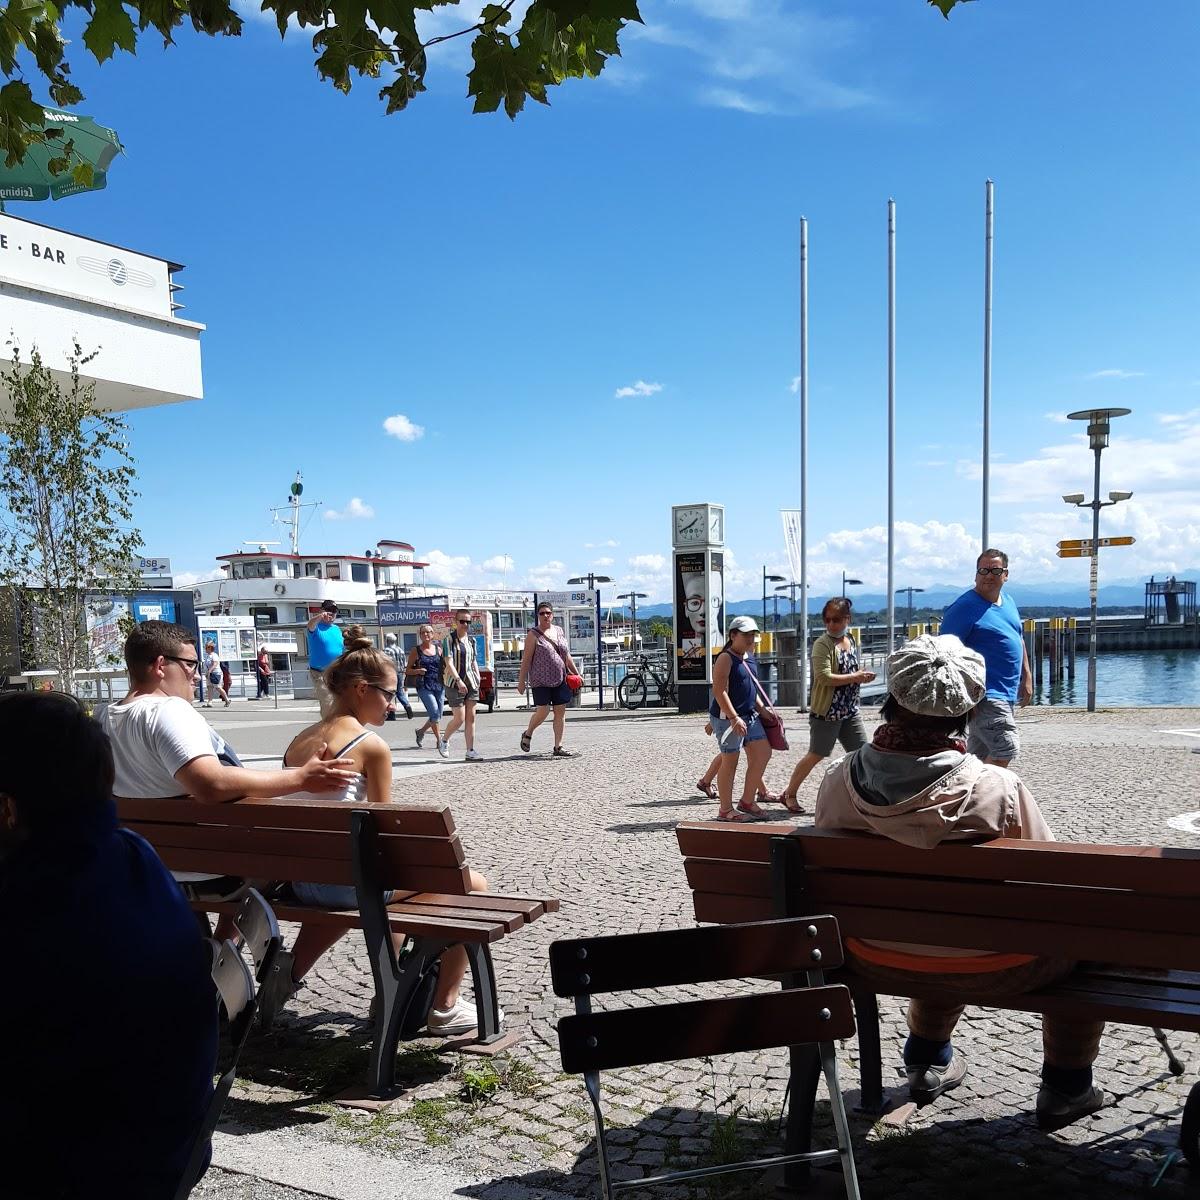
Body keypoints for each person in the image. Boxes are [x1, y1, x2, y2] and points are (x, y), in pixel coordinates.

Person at [814, 634, 1105, 1128]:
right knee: (1083, 938)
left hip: (869, 952)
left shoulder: (839, 780)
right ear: (968, 710)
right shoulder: (998, 789)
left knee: (932, 923)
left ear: (892, 700)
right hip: (998, 962)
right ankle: (1067, 1085)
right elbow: (1049, 889)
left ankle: (927, 1058)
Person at [0, 692, 218, 1197]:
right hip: (166, 1148)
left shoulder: (31, 905)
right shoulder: (131, 857)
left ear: (7, 808)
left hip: (79, 1166)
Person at [259, 634, 492, 1035]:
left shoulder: (301, 741)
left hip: (303, 882)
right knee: (472, 885)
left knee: (366, 883)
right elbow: (384, 832)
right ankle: (443, 1007)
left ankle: (286, 984)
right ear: (362, 689)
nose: (394, 701)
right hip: (344, 886)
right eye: (389, 693)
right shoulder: (372, 746)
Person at [102, 620, 358, 917]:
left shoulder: (105, 719)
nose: (196, 675)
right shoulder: (168, 711)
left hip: (155, 871)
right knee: (340, 879)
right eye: (190, 664)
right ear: (161, 665)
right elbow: (210, 784)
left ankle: (222, 956)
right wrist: (300, 778)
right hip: (220, 874)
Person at [779, 597, 875, 812]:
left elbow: (851, 672)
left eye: (837, 620)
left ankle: (863, 799)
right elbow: (824, 678)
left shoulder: (850, 639)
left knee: (862, 754)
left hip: (849, 709)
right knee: (817, 753)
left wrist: (861, 677)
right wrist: (856, 677)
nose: (831, 624)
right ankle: (789, 793)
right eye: (828, 620)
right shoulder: (822, 644)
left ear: (847, 619)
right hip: (827, 712)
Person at [939, 548, 1033, 767]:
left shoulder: (1008, 601)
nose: (989, 575)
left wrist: (1026, 676)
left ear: (1006, 575)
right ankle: (986, 796)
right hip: (985, 694)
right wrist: (960, 695)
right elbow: (945, 651)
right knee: (1005, 747)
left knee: (977, 758)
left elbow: (1017, 638)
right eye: (983, 570)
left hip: (1006, 691)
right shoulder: (964, 607)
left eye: (995, 570)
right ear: (975, 575)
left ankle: (967, 797)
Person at [707, 615, 773, 822]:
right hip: (729, 718)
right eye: (746, 635)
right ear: (733, 635)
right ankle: (725, 810)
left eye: (753, 635)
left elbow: (750, 689)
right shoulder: (725, 658)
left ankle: (747, 800)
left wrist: (763, 710)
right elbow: (719, 691)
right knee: (730, 761)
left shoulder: (749, 656)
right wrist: (733, 718)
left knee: (763, 753)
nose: (750, 639)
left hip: (749, 715)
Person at [517, 601, 582, 758]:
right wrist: (521, 681)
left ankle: (558, 746)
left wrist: (576, 672)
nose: (545, 615)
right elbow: (526, 660)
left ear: (552, 615)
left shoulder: (559, 631)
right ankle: (528, 732)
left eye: (548, 613)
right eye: (542, 613)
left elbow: (566, 655)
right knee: (543, 711)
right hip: (540, 680)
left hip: (560, 677)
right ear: (538, 616)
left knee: (560, 712)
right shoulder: (533, 635)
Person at [442, 609, 482, 761]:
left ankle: (470, 750)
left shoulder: (472, 640)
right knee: (459, 718)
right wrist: (458, 680)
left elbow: (473, 661)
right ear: (456, 622)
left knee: (471, 717)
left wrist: (477, 676)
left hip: (471, 681)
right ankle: (444, 740)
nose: (465, 624)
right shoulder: (449, 640)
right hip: (453, 682)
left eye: (468, 621)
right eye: (462, 621)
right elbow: (449, 662)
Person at [408, 622, 448, 757]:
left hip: (439, 684)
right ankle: (439, 741)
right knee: (435, 713)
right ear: (420, 635)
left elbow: (445, 666)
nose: (426, 634)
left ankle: (421, 732)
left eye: (429, 632)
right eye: (423, 632)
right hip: (424, 685)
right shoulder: (416, 650)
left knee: (438, 715)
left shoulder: (439, 649)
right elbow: (407, 670)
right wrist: (418, 670)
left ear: (433, 635)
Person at [306, 599, 345, 718]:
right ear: (322, 611)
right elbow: (310, 625)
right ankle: (328, 725)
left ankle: (338, 724)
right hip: (320, 672)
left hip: (336, 671)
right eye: (329, 611)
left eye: (334, 611)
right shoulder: (316, 627)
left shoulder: (337, 629)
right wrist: (319, 617)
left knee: (340, 700)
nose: (331, 614)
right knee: (327, 701)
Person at [381, 632, 415, 720]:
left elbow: (384, 664)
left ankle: (391, 714)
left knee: (389, 693)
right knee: (400, 692)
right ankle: (408, 707)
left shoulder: (386, 650)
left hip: (390, 674)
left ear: (387, 640)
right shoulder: (400, 650)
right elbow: (404, 662)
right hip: (400, 673)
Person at [203, 640, 229, 708]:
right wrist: (207, 672)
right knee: (209, 687)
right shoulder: (208, 656)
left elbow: (215, 664)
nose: (205, 649)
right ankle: (210, 702)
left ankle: (227, 699)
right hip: (209, 674)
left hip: (215, 673)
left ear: (210, 648)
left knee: (218, 687)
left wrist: (210, 671)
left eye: (206, 647)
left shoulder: (214, 655)